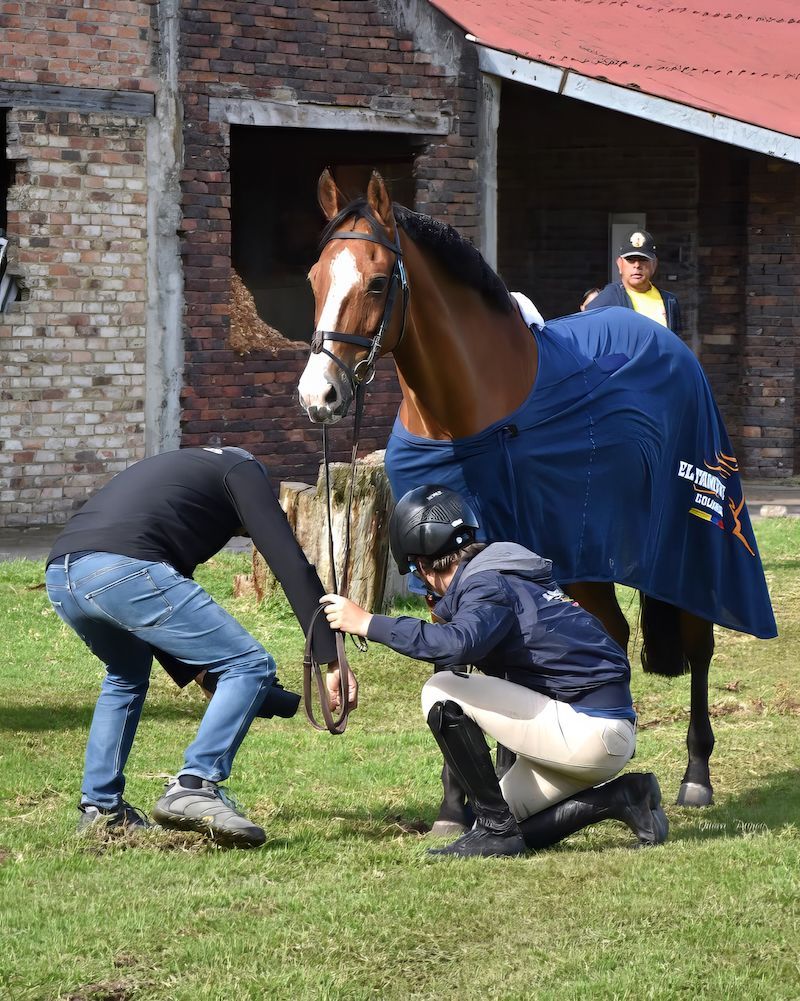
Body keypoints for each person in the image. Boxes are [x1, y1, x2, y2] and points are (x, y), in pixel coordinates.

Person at [321, 485, 668, 858]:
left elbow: (457, 644)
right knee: (501, 825)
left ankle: (495, 828)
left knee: (441, 690)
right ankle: (625, 798)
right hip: (599, 734)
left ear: (421, 566)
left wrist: (368, 622)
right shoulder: (506, 570)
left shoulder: (486, 583)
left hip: (588, 732)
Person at [45, 445, 357, 848]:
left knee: (125, 676)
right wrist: (332, 658)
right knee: (250, 664)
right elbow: (289, 562)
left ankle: (101, 809)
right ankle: (194, 785)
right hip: (124, 567)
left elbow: (160, 614)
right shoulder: (243, 471)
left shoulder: (186, 477)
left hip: (63, 574)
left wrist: (203, 672)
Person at [586, 229, 681, 333]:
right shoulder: (609, 298)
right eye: (630, 260)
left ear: (654, 264)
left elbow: (676, 341)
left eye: (643, 259)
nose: (637, 265)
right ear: (619, 264)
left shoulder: (669, 301)